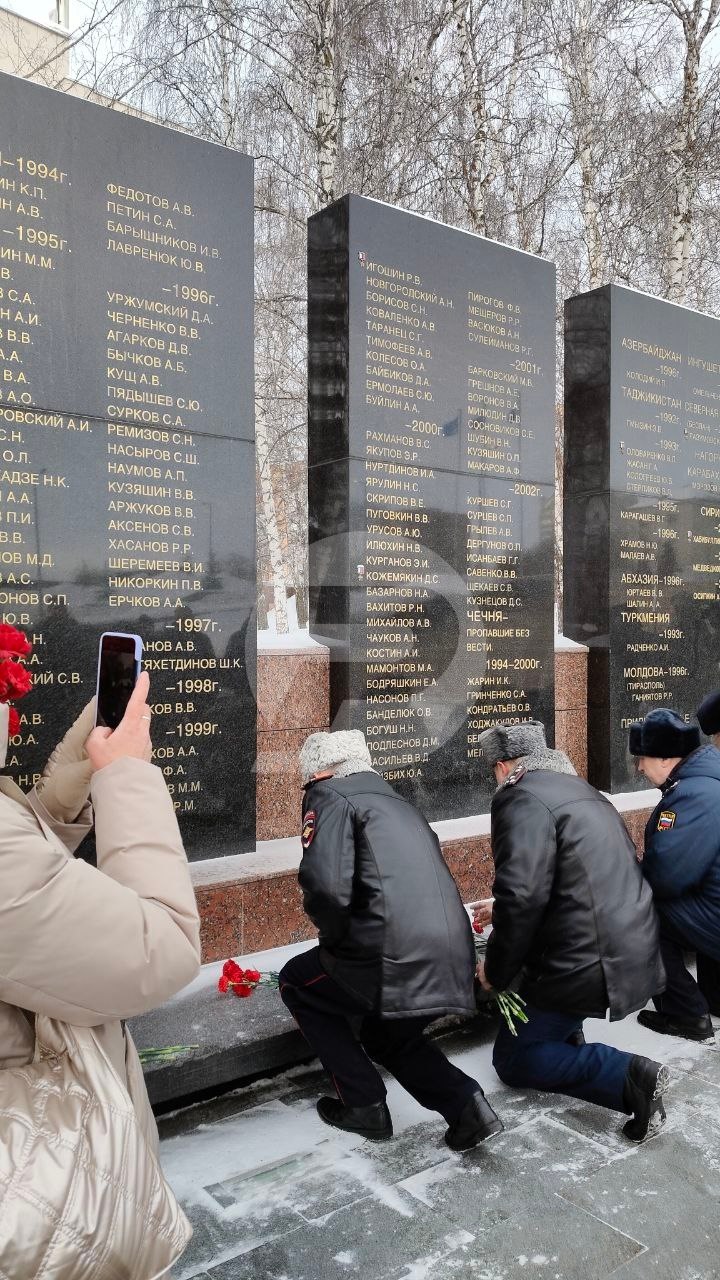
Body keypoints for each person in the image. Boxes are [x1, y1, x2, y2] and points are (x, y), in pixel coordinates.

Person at [0, 647, 201, 1270]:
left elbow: (23, 893)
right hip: (36, 1194)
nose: (11, 713)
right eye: (5, 698)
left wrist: (72, 775)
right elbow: (158, 949)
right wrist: (126, 777)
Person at [279, 729, 503, 1149]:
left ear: (325, 771)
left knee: (296, 981)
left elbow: (326, 887)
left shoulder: (329, 796)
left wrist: (337, 943)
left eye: (308, 775)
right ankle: (466, 1106)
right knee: (388, 1034)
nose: (305, 784)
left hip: (385, 953)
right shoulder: (397, 801)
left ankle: (364, 1105)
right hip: (450, 949)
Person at [476, 720, 668, 1142]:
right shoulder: (585, 792)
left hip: (583, 958)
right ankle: (567, 1039)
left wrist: (496, 971)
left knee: (514, 1061)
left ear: (504, 766)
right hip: (627, 943)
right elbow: (578, 877)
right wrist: (501, 907)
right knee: (544, 1024)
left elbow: (523, 895)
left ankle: (629, 1076)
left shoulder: (519, 797)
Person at [630, 706, 720, 1041]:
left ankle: (687, 1015)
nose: (639, 766)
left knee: (639, 914)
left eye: (643, 757)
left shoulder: (694, 794)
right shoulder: (706, 779)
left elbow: (666, 879)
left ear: (667, 759)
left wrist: (628, 873)